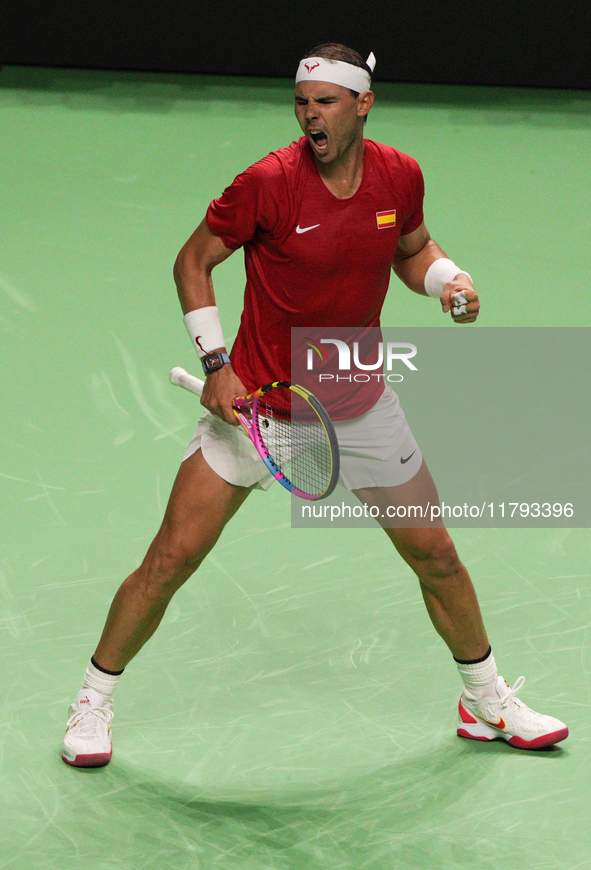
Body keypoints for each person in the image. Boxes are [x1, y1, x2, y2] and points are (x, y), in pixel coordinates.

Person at [62, 43, 568, 767]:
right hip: (260, 409)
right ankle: (93, 699)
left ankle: (484, 700)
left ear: (362, 104)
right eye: (301, 102)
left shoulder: (399, 174)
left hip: (357, 404)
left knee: (437, 556)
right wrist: (217, 364)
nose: (309, 115)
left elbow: (411, 247)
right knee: (170, 558)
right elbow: (193, 260)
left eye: (325, 102)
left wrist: (449, 282)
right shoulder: (267, 182)